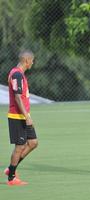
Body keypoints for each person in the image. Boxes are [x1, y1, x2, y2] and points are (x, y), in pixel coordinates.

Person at [5, 50, 38, 185]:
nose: (32, 63)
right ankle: (11, 177)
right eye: (32, 60)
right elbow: (18, 97)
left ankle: (11, 168)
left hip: (24, 115)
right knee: (20, 146)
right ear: (26, 61)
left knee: (33, 143)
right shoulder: (17, 75)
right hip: (17, 116)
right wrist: (26, 116)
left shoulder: (19, 74)